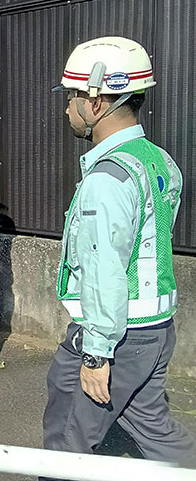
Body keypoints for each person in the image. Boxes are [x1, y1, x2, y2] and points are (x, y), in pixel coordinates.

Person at [43, 36, 195, 465]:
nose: (67, 109)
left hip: (117, 334)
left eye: (71, 97)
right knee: (153, 427)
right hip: (155, 328)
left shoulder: (107, 179)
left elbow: (106, 268)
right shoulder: (159, 160)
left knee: (67, 441)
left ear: (95, 102)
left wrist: (96, 353)